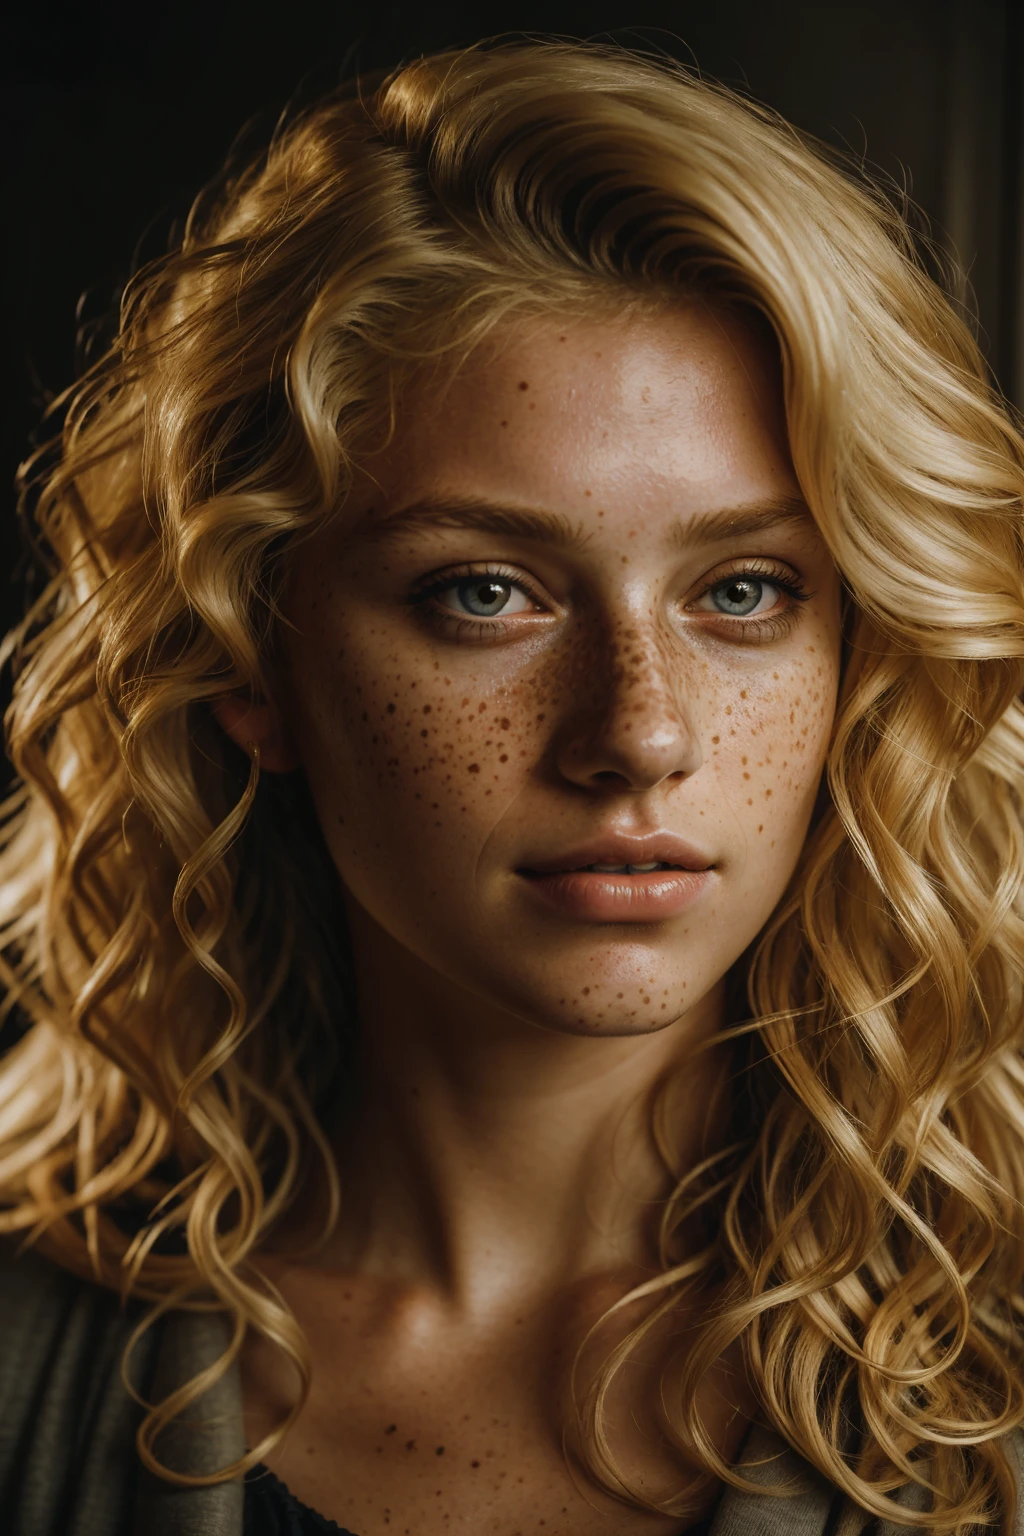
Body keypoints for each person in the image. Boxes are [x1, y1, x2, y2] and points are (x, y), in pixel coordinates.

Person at [1, 34, 1023, 1536]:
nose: (640, 733)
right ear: (252, 662)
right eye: (485, 594)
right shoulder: (33, 1356)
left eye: (742, 592)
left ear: (859, 653)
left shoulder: (991, 1358)